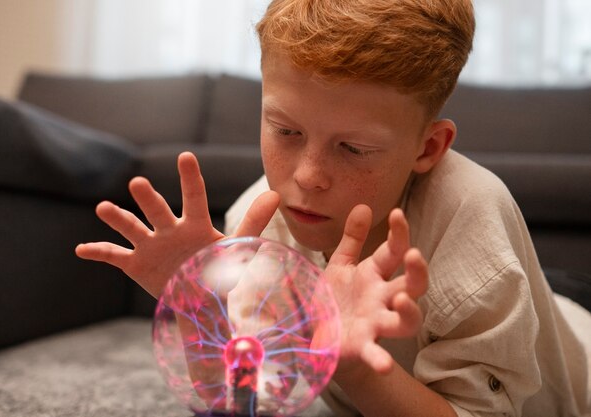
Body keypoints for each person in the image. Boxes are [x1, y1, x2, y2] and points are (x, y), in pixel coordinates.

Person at [76, 0, 590, 415]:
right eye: (286, 131)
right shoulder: (259, 220)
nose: (307, 176)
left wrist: (355, 366)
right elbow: (242, 399)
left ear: (428, 148)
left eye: (354, 149)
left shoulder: (472, 222)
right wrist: (201, 313)